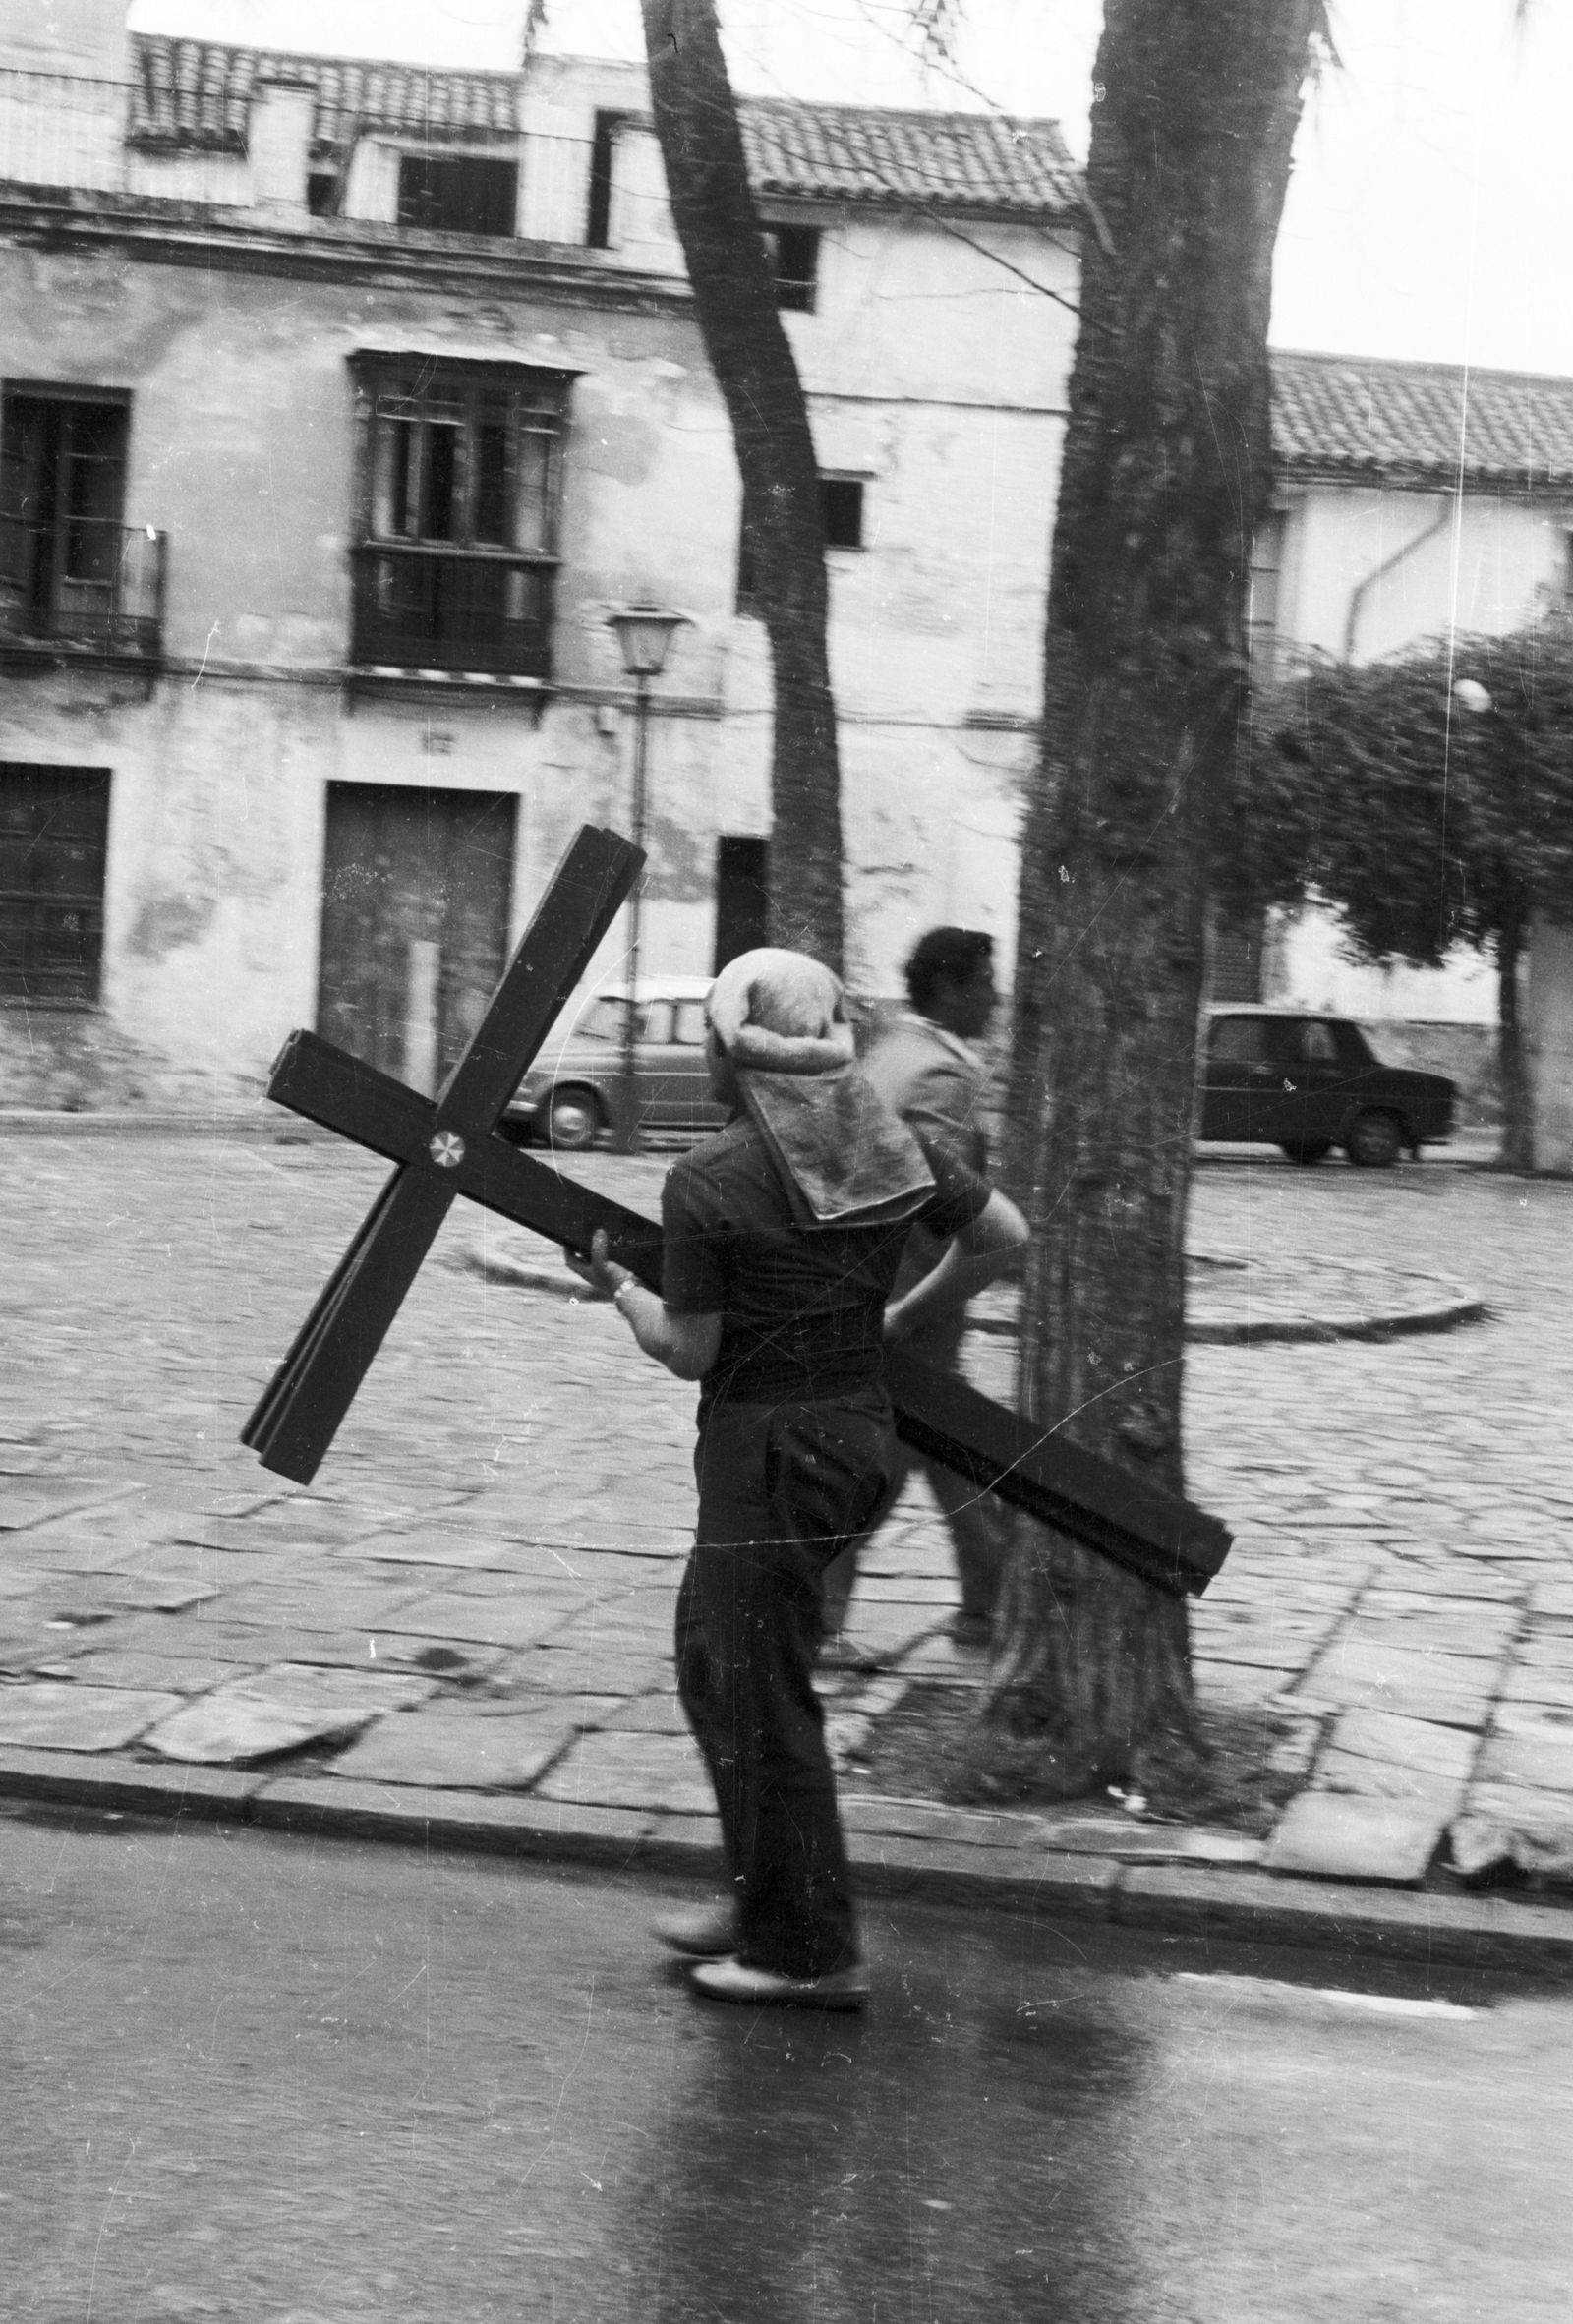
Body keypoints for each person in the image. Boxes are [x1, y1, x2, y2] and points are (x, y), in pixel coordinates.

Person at [565, 947, 1027, 2011]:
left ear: (734, 1053)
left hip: (767, 1453)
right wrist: (899, 1317)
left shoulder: (712, 1176)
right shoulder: (879, 1138)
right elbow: (1003, 1234)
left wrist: (618, 1289)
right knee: (713, 1662)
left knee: (758, 1691)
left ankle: (807, 1951)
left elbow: (688, 1347)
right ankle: (761, 1899)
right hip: (850, 1439)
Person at [823, 926, 1007, 1651]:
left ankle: (988, 1605)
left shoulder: (893, 1050)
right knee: (889, 1461)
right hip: (908, 1297)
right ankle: (817, 1623)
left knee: (943, 1446)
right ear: (953, 988)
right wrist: (928, 1301)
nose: (995, 998)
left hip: (866, 1282)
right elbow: (940, 1201)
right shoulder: (943, 1074)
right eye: (986, 983)